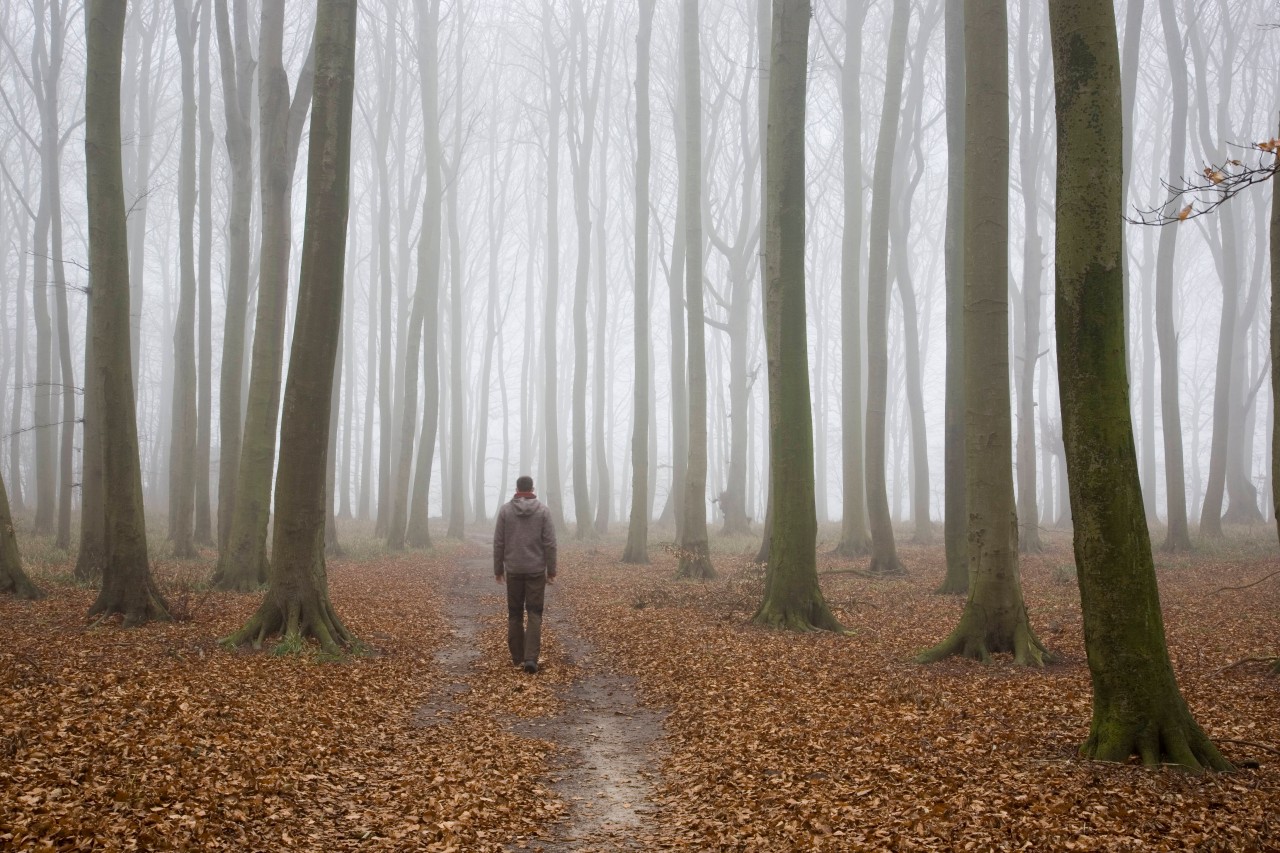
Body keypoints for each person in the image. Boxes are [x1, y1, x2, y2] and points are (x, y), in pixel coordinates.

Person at [494, 475, 557, 673]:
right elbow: (550, 543)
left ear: (517, 488)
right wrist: (551, 570)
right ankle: (531, 658)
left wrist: (498, 569)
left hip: (513, 570)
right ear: (532, 488)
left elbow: (499, 542)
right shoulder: (543, 511)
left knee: (514, 614)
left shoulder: (505, 510)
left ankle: (517, 657)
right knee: (534, 614)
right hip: (536, 570)